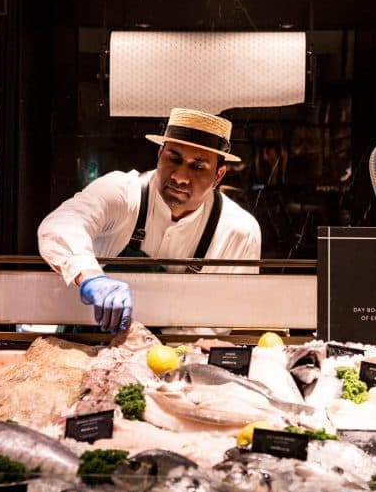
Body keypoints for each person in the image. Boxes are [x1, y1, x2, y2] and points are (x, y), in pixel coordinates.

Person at [38, 108, 262, 332]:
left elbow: (226, 319)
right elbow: (60, 226)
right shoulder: (122, 193)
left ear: (218, 175)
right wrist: (90, 277)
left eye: (197, 167)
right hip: (85, 342)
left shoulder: (239, 231)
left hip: (179, 352)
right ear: (160, 154)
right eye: (173, 158)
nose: (179, 177)